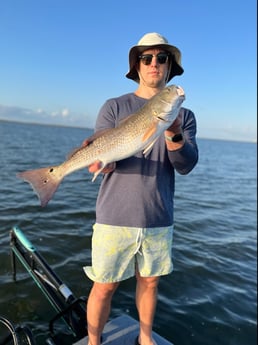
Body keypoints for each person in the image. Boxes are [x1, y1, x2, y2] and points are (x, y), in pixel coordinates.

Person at [83, 32, 198, 345]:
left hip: (158, 216)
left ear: (170, 66)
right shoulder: (114, 106)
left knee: (150, 283)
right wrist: (102, 162)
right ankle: (94, 341)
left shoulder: (184, 117)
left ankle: (145, 337)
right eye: (147, 58)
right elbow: (106, 152)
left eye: (162, 58)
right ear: (137, 65)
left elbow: (186, 164)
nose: (154, 63)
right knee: (104, 285)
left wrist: (173, 133)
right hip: (113, 215)